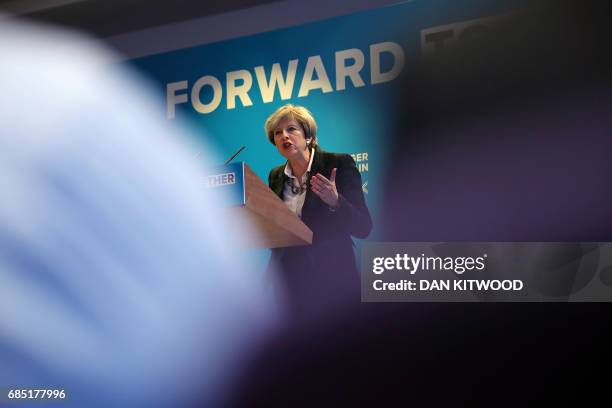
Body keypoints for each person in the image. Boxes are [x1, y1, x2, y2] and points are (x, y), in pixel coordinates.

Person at [264, 104, 372, 321]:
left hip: (334, 281)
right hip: (292, 284)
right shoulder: (276, 176)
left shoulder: (338, 164)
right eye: (277, 133)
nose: (284, 136)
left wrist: (336, 202)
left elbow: (364, 227)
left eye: (291, 129)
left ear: (309, 136)